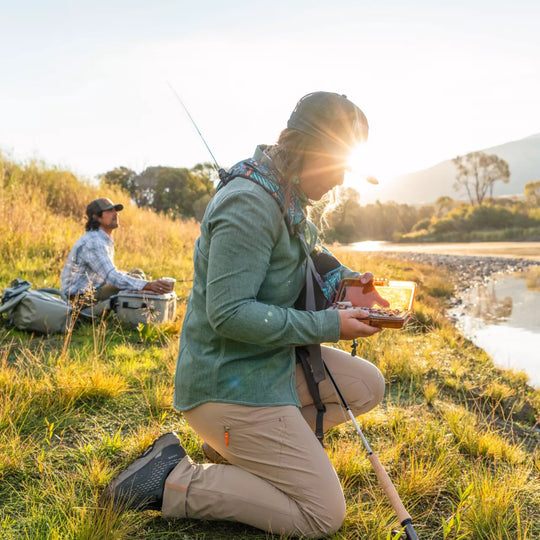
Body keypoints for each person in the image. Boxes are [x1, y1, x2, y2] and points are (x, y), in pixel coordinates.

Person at [102, 92, 386, 538]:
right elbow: (230, 315)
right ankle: (174, 479)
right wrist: (331, 324)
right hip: (227, 382)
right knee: (322, 515)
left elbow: (311, 256)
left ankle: (239, 453)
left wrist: (353, 284)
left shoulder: (286, 195)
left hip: (267, 365)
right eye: (336, 167)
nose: (339, 181)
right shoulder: (250, 203)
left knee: (367, 385)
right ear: (307, 150)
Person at [61, 197, 173, 306]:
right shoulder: (93, 242)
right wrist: (148, 285)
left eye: (116, 211)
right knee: (135, 284)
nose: (115, 214)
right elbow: (112, 277)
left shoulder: (103, 238)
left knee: (136, 274)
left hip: (94, 288)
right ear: (95, 217)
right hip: (79, 297)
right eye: (110, 211)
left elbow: (109, 274)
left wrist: (144, 283)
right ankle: (134, 316)